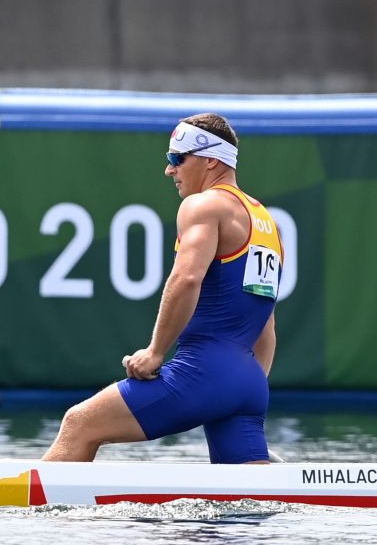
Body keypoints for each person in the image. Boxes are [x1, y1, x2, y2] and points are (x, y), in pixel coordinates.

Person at [43, 113, 282, 464]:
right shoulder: (265, 223)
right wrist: (241, 386)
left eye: (177, 158)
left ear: (211, 160)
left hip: (205, 369)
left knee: (79, 424)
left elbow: (186, 279)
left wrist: (155, 353)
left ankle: (31, 517)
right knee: (247, 503)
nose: (169, 170)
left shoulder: (202, 205)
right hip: (250, 381)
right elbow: (267, 326)